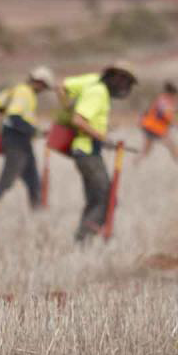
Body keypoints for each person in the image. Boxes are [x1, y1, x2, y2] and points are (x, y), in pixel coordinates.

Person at [60, 61, 138, 241]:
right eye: (126, 82)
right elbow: (78, 120)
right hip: (86, 152)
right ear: (117, 78)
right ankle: (83, 237)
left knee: (96, 200)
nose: (126, 88)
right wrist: (103, 138)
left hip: (88, 151)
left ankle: (83, 239)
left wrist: (103, 134)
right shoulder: (98, 92)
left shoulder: (98, 89)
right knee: (107, 200)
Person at [0, 66, 57, 209]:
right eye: (44, 86)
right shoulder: (24, 92)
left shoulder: (18, 90)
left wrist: (36, 131)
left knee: (33, 179)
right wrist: (35, 131)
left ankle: (38, 211)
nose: (43, 90)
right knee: (7, 180)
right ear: (39, 82)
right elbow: (14, 117)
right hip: (16, 141)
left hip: (22, 141)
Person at [137, 81, 178, 165]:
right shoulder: (164, 101)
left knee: (146, 150)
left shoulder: (164, 100)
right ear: (172, 94)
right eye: (175, 95)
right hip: (155, 128)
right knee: (172, 146)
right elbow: (167, 115)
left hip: (150, 127)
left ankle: (136, 162)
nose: (176, 97)